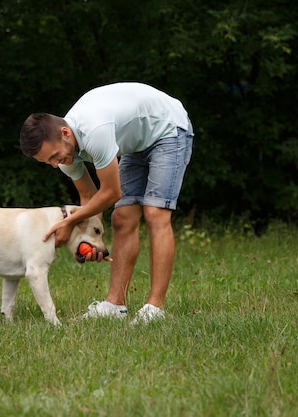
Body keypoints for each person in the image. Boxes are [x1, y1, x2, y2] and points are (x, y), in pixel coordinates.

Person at [19, 82, 193, 324]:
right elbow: (90, 197)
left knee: (155, 213)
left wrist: (69, 222)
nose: (55, 165)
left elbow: (111, 193)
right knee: (122, 218)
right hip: (137, 142)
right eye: (47, 162)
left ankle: (155, 308)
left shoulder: (94, 131)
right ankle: (115, 304)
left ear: (65, 134)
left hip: (168, 129)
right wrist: (89, 239)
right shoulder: (65, 153)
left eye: (53, 157)